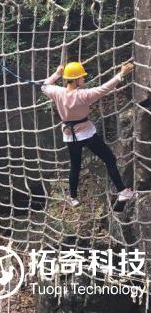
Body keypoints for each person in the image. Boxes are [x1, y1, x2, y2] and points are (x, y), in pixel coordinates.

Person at [41, 61, 137, 207]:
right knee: (109, 159)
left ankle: (73, 197)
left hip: (69, 135)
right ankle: (122, 191)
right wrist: (121, 74)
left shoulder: (57, 92)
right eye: (82, 77)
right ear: (76, 79)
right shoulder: (83, 95)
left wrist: (57, 74)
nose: (84, 79)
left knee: (75, 166)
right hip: (87, 134)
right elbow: (104, 89)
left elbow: (44, 86)